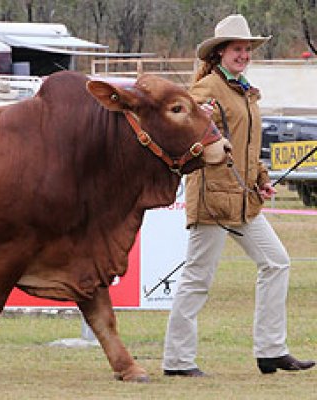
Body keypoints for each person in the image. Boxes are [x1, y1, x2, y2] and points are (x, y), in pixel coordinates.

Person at [162, 14, 315, 377]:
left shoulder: (244, 90)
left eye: (247, 49)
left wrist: (261, 177)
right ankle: (177, 361)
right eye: (237, 49)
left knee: (277, 262)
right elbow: (181, 118)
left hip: (245, 199)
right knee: (198, 279)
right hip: (214, 199)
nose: (244, 54)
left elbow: (248, 147)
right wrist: (201, 116)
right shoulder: (208, 89)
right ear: (219, 54)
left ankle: (270, 350)